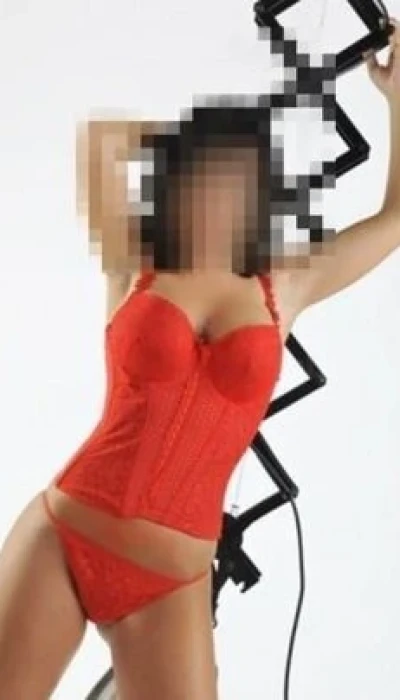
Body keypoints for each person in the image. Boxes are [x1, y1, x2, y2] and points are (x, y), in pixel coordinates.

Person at [0, 20, 399, 700]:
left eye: (237, 181)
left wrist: (396, 100)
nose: (218, 194)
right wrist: (181, 142)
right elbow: (100, 143)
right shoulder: (136, 263)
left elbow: (395, 219)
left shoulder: (284, 286)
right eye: (205, 177)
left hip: (172, 582)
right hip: (65, 533)